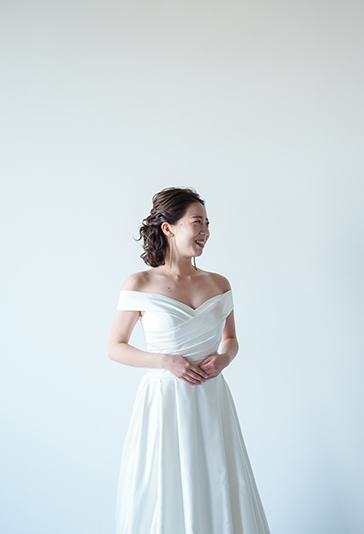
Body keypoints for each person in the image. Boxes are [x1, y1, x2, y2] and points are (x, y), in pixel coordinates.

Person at [108, 187, 270, 534]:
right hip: (164, 400)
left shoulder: (219, 283)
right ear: (168, 228)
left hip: (210, 398)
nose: (205, 232)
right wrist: (165, 361)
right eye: (197, 222)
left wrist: (224, 359)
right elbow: (116, 347)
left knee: (218, 478)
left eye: (207, 223)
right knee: (164, 483)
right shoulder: (139, 283)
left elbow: (231, 339)